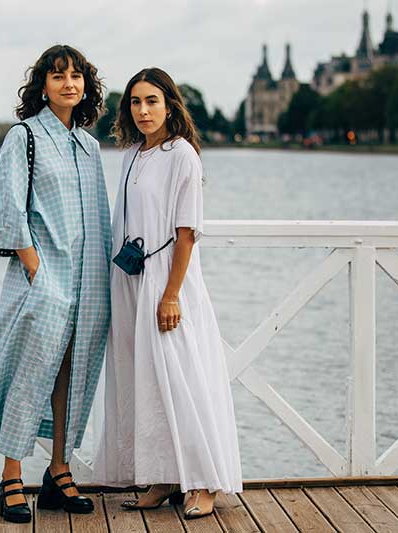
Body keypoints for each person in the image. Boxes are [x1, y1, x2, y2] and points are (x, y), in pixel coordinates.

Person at [0, 44, 112, 523]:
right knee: (30, 374)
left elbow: (99, 219)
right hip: (44, 280)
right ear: (43, 86)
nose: (69, 83)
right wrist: (36, 271)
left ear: (86, 86)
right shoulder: (25, 136)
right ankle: (11, 476)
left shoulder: (90, 146)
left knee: (73, 377)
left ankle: (58, 471)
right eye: (58, 76)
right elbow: (8, 209)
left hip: (88, 284)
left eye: (76, 76)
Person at [93, 67, 242, 519]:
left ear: (170, 105)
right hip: (131, 280)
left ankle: (203, 483)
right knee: (146, 379)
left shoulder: (183, 156)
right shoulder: (132, 155)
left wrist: (172, 293)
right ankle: (162, 477)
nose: (142, 110)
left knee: (183, 379)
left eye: (151, 101)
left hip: (167, 282)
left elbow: (186, 233)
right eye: (135, 102)